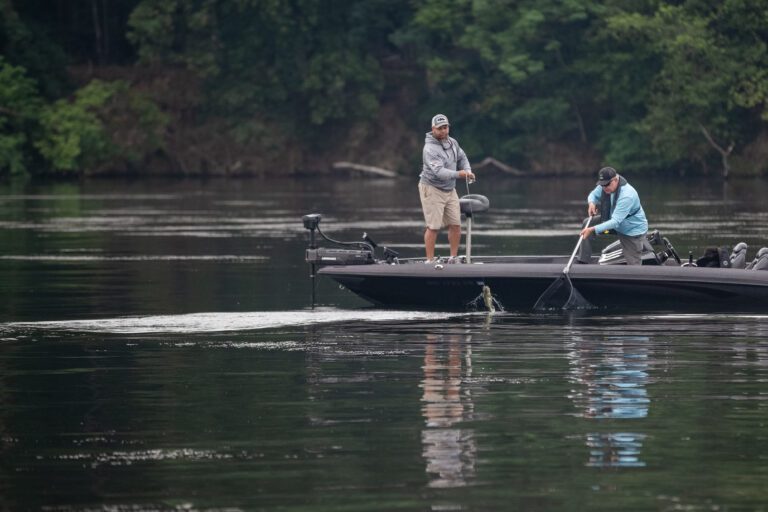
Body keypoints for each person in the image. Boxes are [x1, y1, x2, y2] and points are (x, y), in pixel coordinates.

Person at [419, 114, 475, 263]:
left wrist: (468, 171)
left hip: (450, 189)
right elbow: (440, 173)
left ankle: (453, 257)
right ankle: (429, 261)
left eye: (446, 127)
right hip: (432, 188)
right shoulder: (429, 149)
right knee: (433, 226)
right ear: (433, 129)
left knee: (456, 225)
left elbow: (462, 157)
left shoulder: (452, 142)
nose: (444, 131)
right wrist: (460, 174)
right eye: (440, 128)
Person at [578, 166, 651, 265]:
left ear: (615, 180)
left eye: (607, 184)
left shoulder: (627, 195)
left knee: (634, 267)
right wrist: (591, 203)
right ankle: (583, 261)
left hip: (631, 231)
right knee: (587, 222)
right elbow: (593, 195)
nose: (604, 188)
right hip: (614, 222)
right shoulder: (605, 185)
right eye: (602, 185)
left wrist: (592, 229)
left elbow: (616, 222)